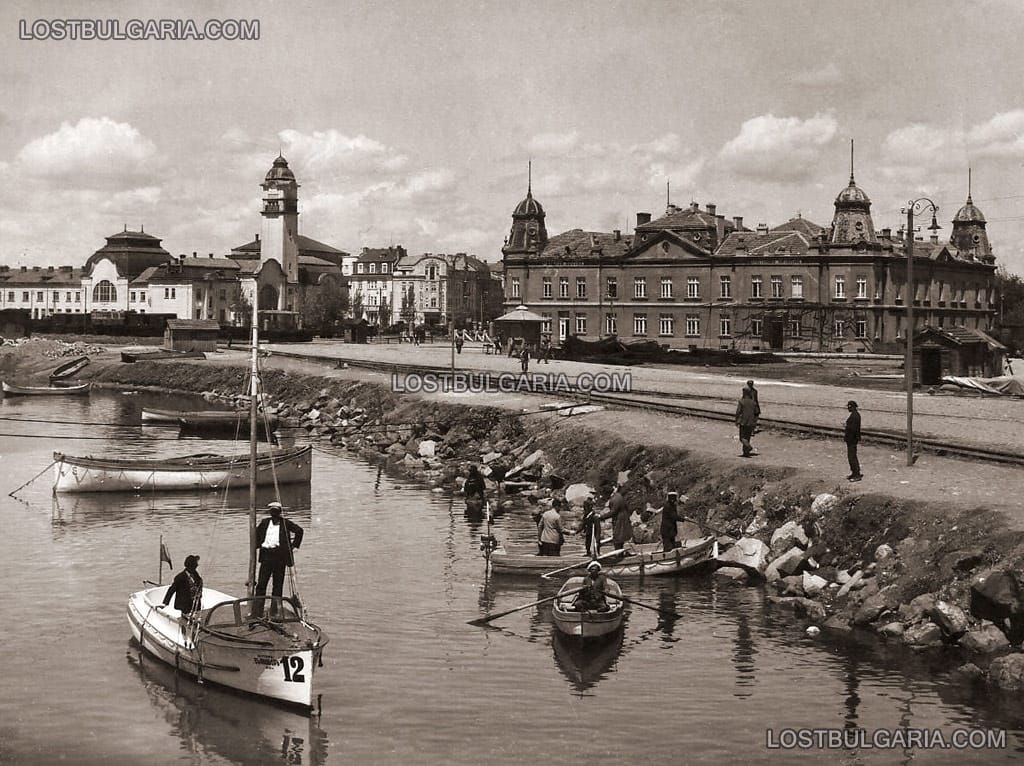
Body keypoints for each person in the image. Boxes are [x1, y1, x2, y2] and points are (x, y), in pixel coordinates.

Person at [253, 501, 304, 618]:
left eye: (276, 511)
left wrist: (294, 546)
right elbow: (256, 533)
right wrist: (257, 545)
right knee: (261, 584)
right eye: (272, 511)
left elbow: (299, 531)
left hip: (279, 557)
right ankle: (257, 612)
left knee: (278, 584)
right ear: (270, 512)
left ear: (280, 512)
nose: (274, 513)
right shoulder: (265, 522)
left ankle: (275, 612)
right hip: (266, 556)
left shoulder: (285, 523)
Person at [600, 484, 632, 553]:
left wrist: (601, 517)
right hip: (623, 518)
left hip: (620, 520)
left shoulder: (615, 499)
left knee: (617, 537)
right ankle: (619, 552)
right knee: (620, 537)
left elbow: (613, 512)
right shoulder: (618, 496)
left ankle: (618, 553)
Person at [736, 387, 758, 458]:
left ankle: (748, 447)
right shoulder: (753, 402)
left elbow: (738, 412)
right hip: (751, 422)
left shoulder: (741, 401)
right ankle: (746, 453)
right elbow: (756, 412)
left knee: (742, 437)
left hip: (743, 421)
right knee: (747, 437)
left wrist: (737, 420)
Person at [845, 400, 863, 481]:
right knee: (851, 456)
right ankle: (854, 473)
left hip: (852, 440)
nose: (848, 408)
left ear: (851, 407)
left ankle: (856, 474)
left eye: (848, 407)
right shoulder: (855, 415)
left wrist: (847, 427)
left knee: (852, 457)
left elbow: (853, 429)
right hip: (852, 439)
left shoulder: (854, 416)